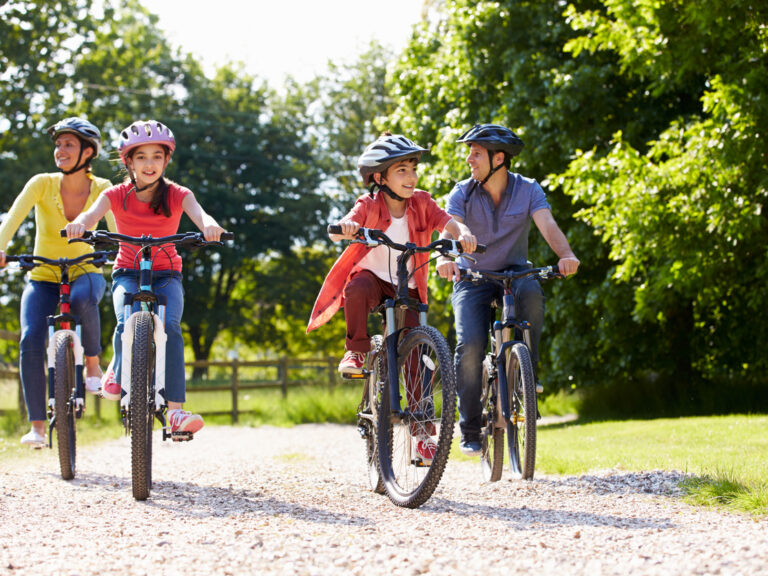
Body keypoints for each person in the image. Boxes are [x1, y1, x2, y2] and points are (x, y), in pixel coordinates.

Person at [307, 131, 477, 462]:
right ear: (379, 177)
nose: (411, 177)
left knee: (419, 356)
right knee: (355, 290)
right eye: (402, 170)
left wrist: (464, 234)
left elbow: (447, 222)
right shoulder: (369, 204)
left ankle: (423, 434)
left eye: (413, 169)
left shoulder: (423, 202)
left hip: (407, 283)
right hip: (373, 278)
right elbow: (352, 218)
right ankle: (355, 352)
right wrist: (347, 227)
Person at [65, 119, 226, 438]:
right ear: (128, 161)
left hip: (167, 274)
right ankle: (118, 367)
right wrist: (80, 225)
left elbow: (201, 214)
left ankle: (176, 412)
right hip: (127, 271)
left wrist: (210, 227)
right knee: (126, 319)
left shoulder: (179, 194)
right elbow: (90, 215)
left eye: (156, 156)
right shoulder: (115, 194)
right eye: (141, 157)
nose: (149, 163)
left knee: (170, 328)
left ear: (166, 160)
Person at [435, 123, 580, 455]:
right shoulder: (462, 191)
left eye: (476, 153)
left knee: (532, 292)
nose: (469, 159)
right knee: (470, 345)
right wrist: (445, 256)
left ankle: (527, 375)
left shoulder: (528, 189)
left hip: (514, 273)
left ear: (498, 158)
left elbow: (548, 224)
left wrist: (566, 256)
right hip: (472, 277)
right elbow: (451, 228)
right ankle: (470, 427)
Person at [0, 117, 115, 447]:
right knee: (31, 337)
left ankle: (92, 366)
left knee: (83, 299)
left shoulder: (103, 188)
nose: (60, 150)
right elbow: (12, 218)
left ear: (87, 152)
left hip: (85, 270)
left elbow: (118, 229)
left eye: (69, 144)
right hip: (43, 275)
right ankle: (37, 426)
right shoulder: (41, 183)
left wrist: (125, 253)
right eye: (58, 144)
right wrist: (1, 247)